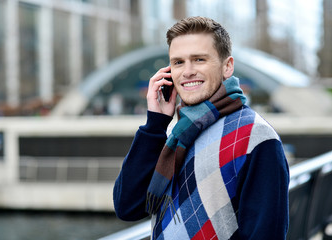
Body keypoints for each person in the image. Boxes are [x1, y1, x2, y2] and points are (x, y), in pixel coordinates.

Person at [113, 16, 289, 240]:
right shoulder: (177, 135)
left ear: (227, 66)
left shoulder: (257, 137)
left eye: (199, 59)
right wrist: (155, 124)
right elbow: (127, 206)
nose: (187, 72)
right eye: (178, 62)